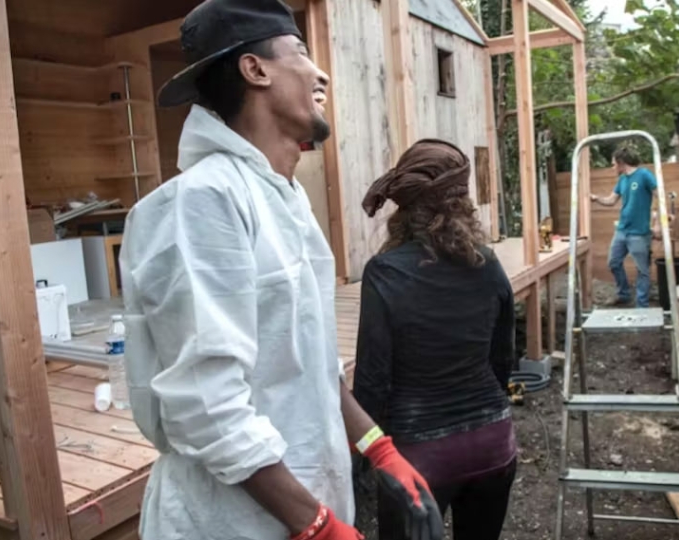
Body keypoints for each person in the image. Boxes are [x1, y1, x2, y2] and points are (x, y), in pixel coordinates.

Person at [118, 2, 442, 539]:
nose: (323, 74)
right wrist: (316, 526)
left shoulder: (286, 199)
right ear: (256, 69)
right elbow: (207, 404)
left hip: (304, 507)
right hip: (235, 523)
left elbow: (310, 363)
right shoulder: (201, 203)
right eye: (302, 53)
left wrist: (380, 450)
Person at [352, 139, 518, 540]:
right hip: (493, 442)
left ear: (405, 208)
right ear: (463, 202)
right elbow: (503, 360)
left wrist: (360, 461)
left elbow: (373, 381)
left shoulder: (384, 272)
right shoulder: (488, 263)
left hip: (418, 456)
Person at [590, 146, 659, 307]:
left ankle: (642, 306)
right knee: (613, 263)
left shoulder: (644, 175)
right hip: (622, 231)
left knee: (642, 270)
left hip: (639, 233)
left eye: (614, 164)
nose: (613, 167)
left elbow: (660, 197)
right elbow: (611, 200)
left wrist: (657, 223)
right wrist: (595, 198)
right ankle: (624, 294)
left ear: (621, 163)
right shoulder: (622, 180)